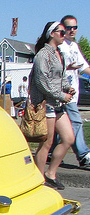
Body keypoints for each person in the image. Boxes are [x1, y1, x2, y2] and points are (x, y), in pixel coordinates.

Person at [30, 21, 75, 190]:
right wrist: (62, 94)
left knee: (68, 138)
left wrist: (67, 87)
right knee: (46, 143)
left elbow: (61, 77)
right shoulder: (43, 55)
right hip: (45, 103)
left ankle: (51, 173)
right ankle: (39, 179)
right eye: (62, 32)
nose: (65, 34)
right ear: (52, 34)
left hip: (57, 103)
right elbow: (43, 83)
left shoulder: (60, 54)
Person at [56, 14, 90, 168]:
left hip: (73, 92)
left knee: (60, 125)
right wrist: (68, 68)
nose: (72, 30)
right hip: (62, 92)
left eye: (75, 27)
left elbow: (84, 67)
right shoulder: (59, 46)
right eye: (68, 28)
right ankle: (83, 155)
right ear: (63, 29)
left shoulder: (74, 46)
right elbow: (54, 70)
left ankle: (52, 152)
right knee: (75, 122)